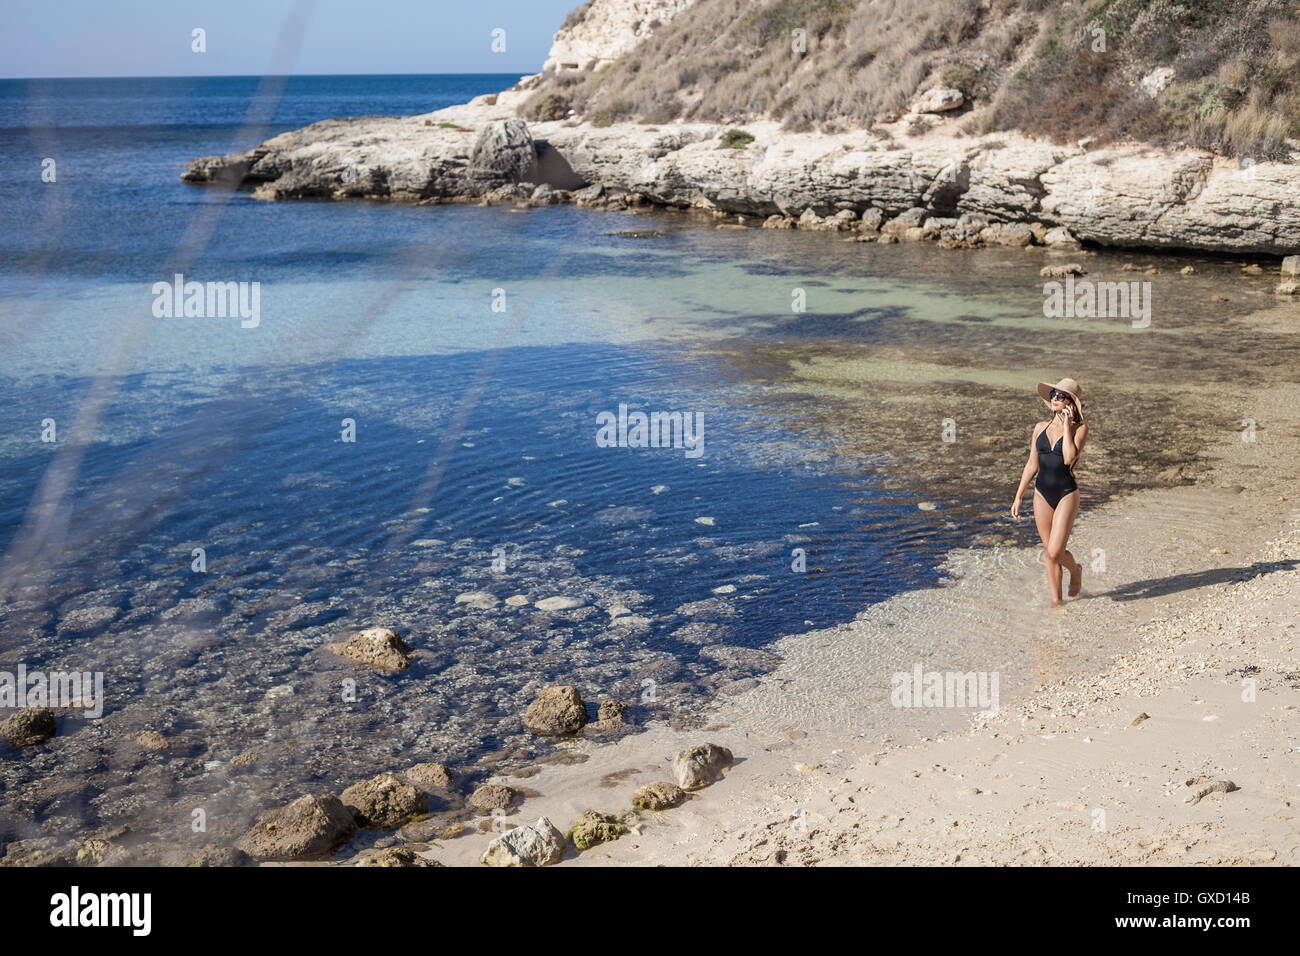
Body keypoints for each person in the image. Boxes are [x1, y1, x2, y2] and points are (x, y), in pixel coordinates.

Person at [1011, 378, 1089, 606]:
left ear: (1071, 403)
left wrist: (1066, 426)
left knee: (1056, 551)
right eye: (1053, 394)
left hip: (1066, 493)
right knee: (1048, 551)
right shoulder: (1039, 428)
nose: (1054, 398)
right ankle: (1057, 602)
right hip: (1041, 493)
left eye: (1060, 396)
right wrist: (1018, 496)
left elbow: (1068, 458)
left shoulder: (1080, 429)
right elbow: (1031, 465)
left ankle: (1075, 571)